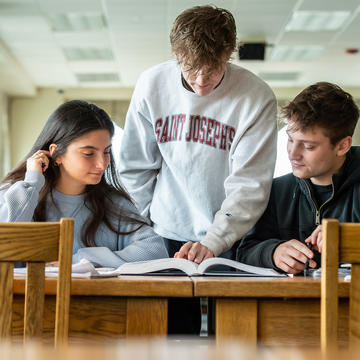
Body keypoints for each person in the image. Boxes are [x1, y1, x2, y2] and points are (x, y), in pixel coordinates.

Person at [118, 5, 277, 264]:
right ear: (175, 55)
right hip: (162, 231)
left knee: (230, 305)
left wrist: (215, 240)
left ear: (228, 56)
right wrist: (145, 224)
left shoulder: (256, 97)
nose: (202, 80)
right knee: (162, 305)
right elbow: (135, 167)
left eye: (213, 69)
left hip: (230, 233)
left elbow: (249, 185)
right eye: (191, 68)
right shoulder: (151, 85)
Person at [0, 100, 168, 267]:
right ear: (56, 154)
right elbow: (4, 244)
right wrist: (32, 183)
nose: (102, 164)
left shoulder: (114, 204)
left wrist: (76, 260)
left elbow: (155, 250)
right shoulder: (16, 194)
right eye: (89, 153)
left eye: (106, 152)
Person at [237, 82, 360, 274]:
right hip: (291, 301)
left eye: (308, 146)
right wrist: (273, 253)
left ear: (343, 146)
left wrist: (349, 239)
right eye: (290, 140)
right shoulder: (277, 191)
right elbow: (245, 251)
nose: (293, 154)